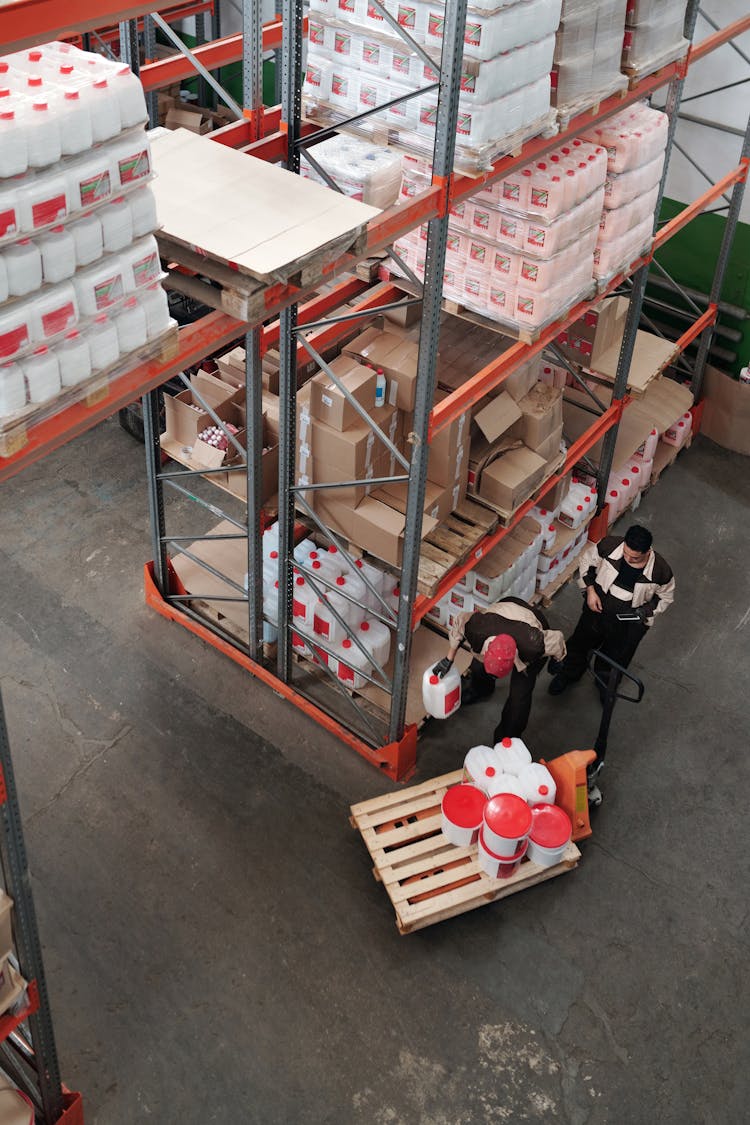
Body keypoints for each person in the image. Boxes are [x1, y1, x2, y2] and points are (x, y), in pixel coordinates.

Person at [548, 524, 675, 695]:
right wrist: (590, 590)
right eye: (626, 554)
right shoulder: (608, 546)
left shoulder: (661, 571)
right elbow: (587, 563)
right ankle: (568, 674)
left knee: (616, 657)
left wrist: (644, 612)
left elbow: (665, 597)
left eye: (634, 558)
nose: (628, 560)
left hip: (629, 621)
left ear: (647, 552)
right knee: (580, 643)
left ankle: (605, 687)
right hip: (598, 608)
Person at [433, 596, 566, 743]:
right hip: (507, 606)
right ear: (487, 649)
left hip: (532, 622)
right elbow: (459, 622)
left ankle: (507, 739)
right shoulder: (476, 628)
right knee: (477, 666)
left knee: (520, 697)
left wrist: (558, 659)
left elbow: (558, 640)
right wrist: (448, 659)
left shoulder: (534, 644)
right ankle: (481, 689)